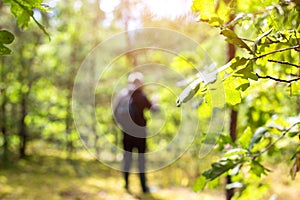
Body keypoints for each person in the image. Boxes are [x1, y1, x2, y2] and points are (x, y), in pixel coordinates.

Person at [113, 72, 158, 193]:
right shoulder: (140, 95)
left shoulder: (122, 95)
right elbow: (153, 109)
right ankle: (144, 187)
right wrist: (154, 102)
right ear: (140, 83)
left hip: (126, 132)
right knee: (141, 159)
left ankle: (126, 184)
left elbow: (114, 112)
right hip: (140, 133)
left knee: (127, 157)